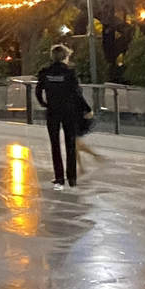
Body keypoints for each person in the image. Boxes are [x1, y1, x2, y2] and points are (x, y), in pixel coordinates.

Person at [33, 43, 89, 187]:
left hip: (53, 112)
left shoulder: (45, 72)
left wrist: (44, 104)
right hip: (68, 112)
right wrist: (86, 108)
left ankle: (59, 177)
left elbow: (38, 91)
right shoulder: (69, 73)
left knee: (55, 145)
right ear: (64, 56)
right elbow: (77, 94)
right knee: (70, 144)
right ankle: (72, 178)